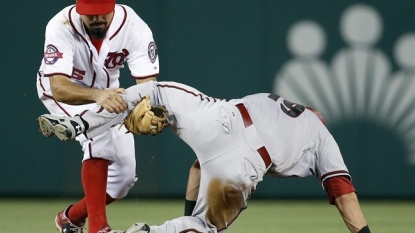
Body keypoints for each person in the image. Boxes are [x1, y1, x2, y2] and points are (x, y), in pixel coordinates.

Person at [37, 80, 371, 233]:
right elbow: (345, 196)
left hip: (220, 118)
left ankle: (81, 122)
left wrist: (187, 209)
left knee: (154, 91)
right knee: (203, 227)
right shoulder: (321, 134)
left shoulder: (280, 102)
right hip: (244, 165)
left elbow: (199, 166)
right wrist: (190, 221)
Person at [35, 0, 159, 232]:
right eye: (89, 14)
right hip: (65, 92)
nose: (96, 19)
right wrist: (97, 96)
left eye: (102, 12)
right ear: (78, 8)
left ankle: (70, 217)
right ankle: (99, 228)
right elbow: (59, 87)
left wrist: (144, 108)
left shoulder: (134, 27)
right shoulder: (60, 25)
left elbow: (147, 86)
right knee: (98, 136)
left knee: (123, 178)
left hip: (109, 90)